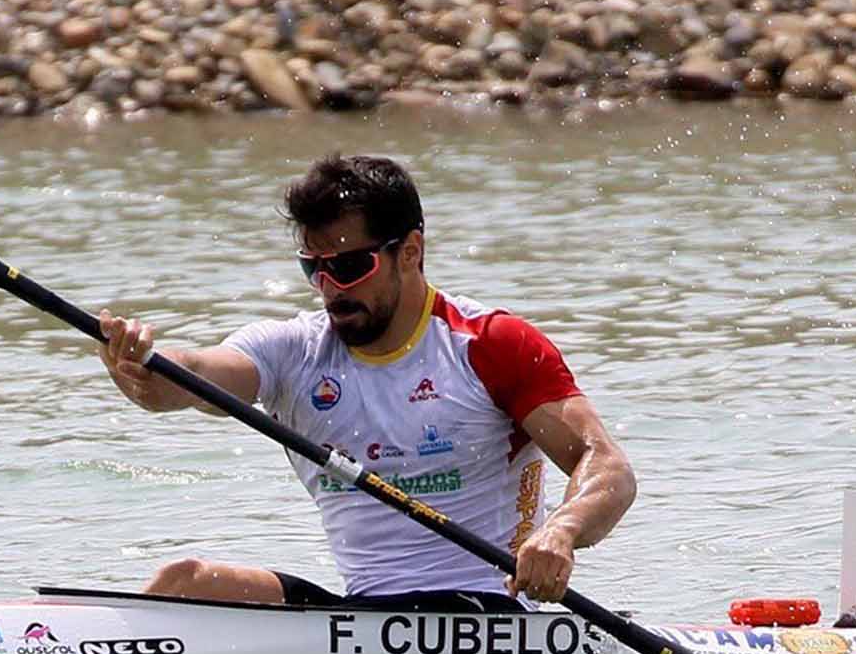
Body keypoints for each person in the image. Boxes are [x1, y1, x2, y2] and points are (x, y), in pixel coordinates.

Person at [97, 154, 635, 611]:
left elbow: (606, 465)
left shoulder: (489, 344)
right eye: (315, 268)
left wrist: (560, 531)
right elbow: (190, 377)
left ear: (410, 252)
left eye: (350, 265)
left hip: (492, 610)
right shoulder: (294, 350)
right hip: (365, 613)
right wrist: (142, 364)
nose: (331, 288)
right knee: (185, 584)